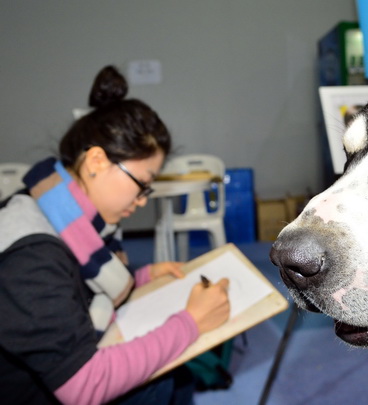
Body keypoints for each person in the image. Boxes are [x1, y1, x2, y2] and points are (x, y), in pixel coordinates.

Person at [0, 66, 230, 404]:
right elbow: (85, 386)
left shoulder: (55, 208)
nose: (140, 202)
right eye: (141, 185)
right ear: (96, 161)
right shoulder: (31, 257)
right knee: (161, 383)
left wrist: (141, 277)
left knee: (177, 376)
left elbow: (73, 287)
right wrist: (191, 322)